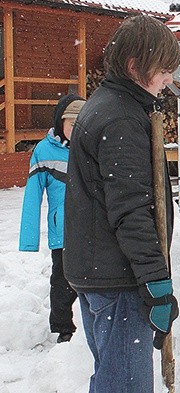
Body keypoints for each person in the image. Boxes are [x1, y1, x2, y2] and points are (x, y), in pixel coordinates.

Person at [63, 15, 179, 392]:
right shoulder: (122, 119)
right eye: (163, 70)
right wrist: (156, 283)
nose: (168, 80)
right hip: (119, 279)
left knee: (112, 379)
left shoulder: (106, 105)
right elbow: (131, 210)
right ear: (134, 66)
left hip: (100, 270)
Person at [19, 93, 85, 343]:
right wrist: (29, 239)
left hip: (91, 229)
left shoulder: (92, 145)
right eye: (71, 124)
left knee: (94, 280)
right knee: (62, 282)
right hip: (63, 232)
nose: (76, 130)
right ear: (60, 123)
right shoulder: (44, 151)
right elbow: (32, 197)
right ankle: (62, 328)